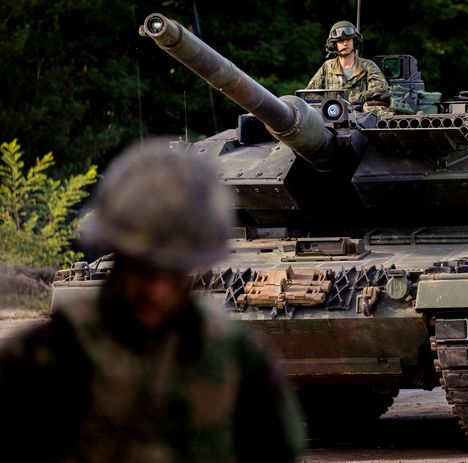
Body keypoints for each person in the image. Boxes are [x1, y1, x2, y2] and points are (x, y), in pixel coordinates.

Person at [0, 140, 305, 462]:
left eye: (174, 272)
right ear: (115, 256)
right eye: (142, 268)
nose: (156, 290)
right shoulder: (37, 360)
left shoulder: (240, 359)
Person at [306, 20, 388, 104]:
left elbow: (380, 89)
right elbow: (308, 93)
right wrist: (329, 102)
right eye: (341, 41)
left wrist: (352, 99)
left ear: (354, 41)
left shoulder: (367, 66)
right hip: (333, 114)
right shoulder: (327, 67)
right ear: (333, 45)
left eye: (348, 39)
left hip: (360, 114)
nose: (345, 44)